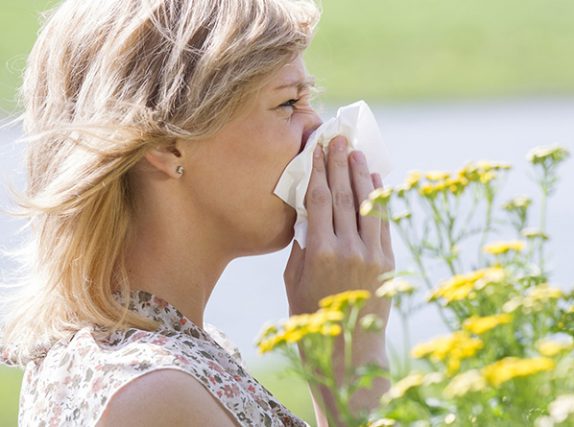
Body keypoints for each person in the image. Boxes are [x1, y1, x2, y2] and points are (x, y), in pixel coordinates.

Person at [0, 0, 394, 426]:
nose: (317, 129)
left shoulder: (153, 358)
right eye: (287, 104)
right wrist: (350, 353)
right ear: (166, 145)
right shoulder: (153, 394)